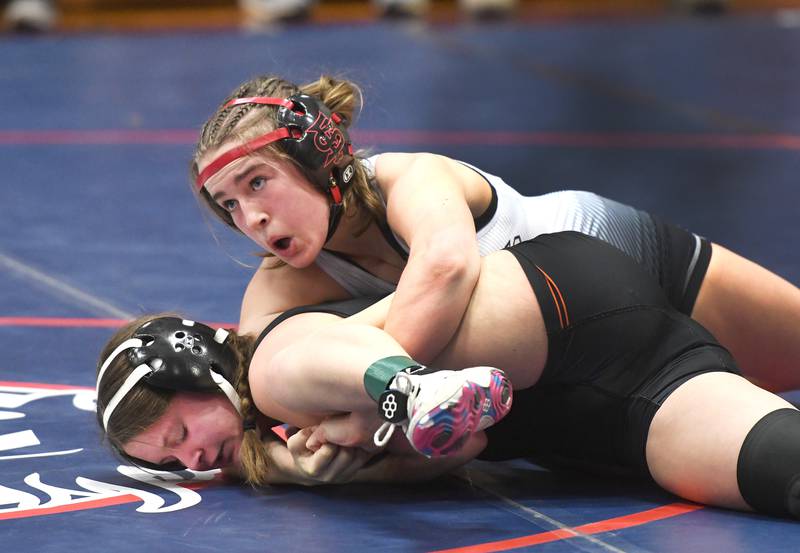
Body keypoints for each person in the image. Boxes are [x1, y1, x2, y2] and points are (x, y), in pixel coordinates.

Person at [97, 232, 800, 519]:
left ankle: (406, 384)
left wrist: (372, 411)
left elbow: (445, 253)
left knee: (280, 370)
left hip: (552, 304)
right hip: (623, 401)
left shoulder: (272, 346)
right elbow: (458, 450)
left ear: (202, 367)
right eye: (173, 459)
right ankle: (412, 393)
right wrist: (310, 470)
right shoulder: (288, 443)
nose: (193, 458)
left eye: (183, 429)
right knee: (780, 469)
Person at [190, 74, 800, 393]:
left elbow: (446, 270)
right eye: (230, 206)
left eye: (258, 183)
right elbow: (258, 380)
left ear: (319, 156)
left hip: (631, 258)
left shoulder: (412, 178)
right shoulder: (285, 283)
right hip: (583, 348)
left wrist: (371, 392)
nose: (252, 219)